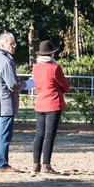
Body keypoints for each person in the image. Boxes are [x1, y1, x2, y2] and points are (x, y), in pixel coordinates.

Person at [0, 32, 25, 172]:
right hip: (6, 103)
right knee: (4, 136)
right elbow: (13, 85)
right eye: (11, 43)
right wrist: (24, 85)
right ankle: (2, 164)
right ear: (2, 44)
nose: (14, 46)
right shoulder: (7, 61)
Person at [31, 40, 70, 175]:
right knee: (49, 135)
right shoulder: (55, 68)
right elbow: (66, 86)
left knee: (39, 134)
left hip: (40, 103)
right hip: (53, 103)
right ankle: (46, 165)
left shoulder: (36, 67)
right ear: (51, 53)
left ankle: (35, 164)